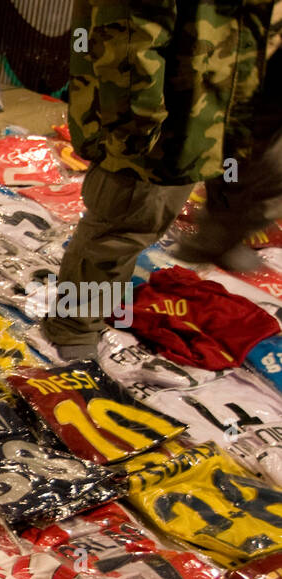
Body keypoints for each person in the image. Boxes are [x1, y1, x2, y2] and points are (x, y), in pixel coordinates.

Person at [42, 0, 282, 357]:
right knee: (129, 216)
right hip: (174, 98)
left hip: (244, 79)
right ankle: (76, 320)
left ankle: (218, 236)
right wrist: (135, 127)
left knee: (254, 169)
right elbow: (127, 33)